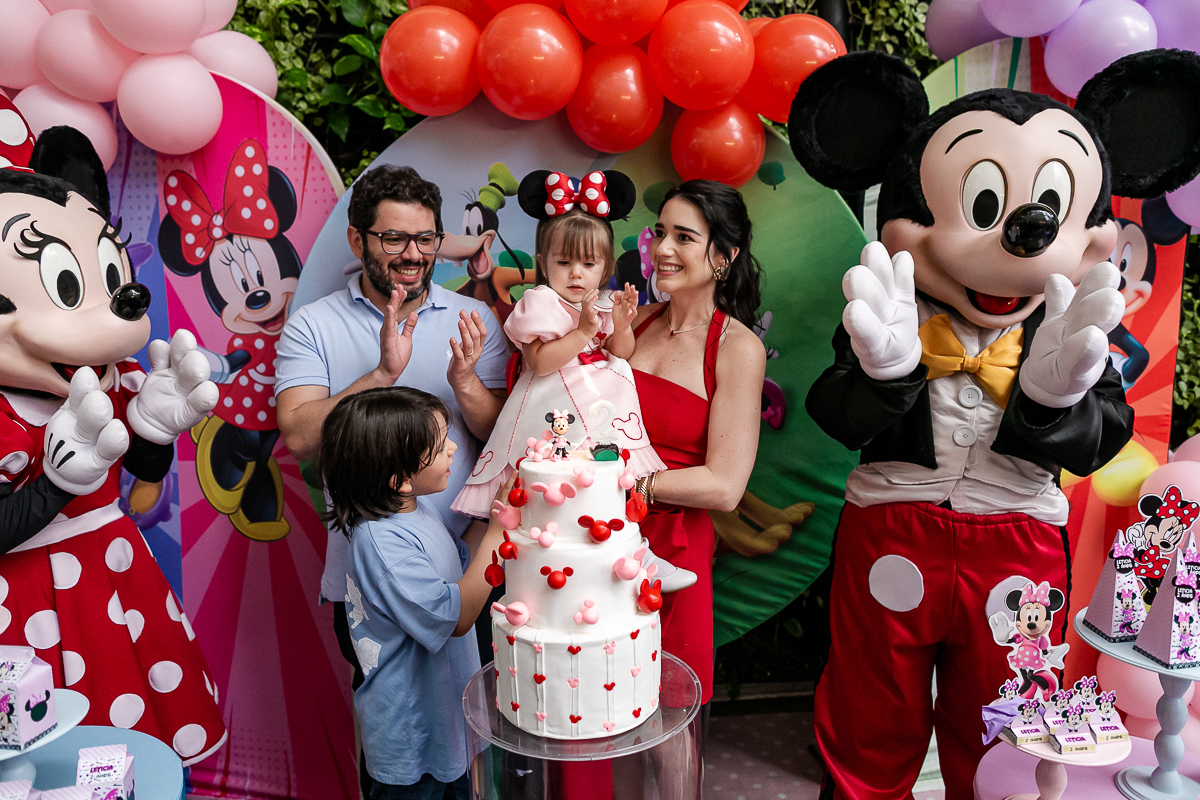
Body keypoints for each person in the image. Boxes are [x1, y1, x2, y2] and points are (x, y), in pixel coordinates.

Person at [274, 165, 508, 795]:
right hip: (370, 576)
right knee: (396, 729)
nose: (412, 254)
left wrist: (465, 385)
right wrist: (380, 374)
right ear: (358, 240)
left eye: (425, 238)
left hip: (464, 565)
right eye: (394, 238)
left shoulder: (472, 319)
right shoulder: (314, 324)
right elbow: (299, 436)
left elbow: (499, 433)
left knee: (466, 727)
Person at [319, 387, 510, 800]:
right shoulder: (382, 544)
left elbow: (461, 568)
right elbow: (457, 616)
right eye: (440, 447)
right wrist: (498, 530)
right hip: (413, 742)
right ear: (400, 480)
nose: (453, 449)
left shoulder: (416, 510)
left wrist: (493, 518)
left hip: (448, 722)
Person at [451, 170, 666, 517]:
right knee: (546, 478)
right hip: (551, 400)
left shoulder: (604, 302)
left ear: (606, 268)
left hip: (598, 404)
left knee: (595, 477)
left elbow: (620, 353)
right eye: (564, 262)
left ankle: (603, 465)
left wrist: (623, 326)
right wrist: (581, 333)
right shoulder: (542, 302)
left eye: (588, 263)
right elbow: (539, 363)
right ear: (544, 264)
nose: (576, 272)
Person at [628, 180, 767, 718]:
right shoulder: (631, 322)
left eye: (684, 237)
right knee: (587, 697)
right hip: (595, 536)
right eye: (660, 232)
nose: (662, 248)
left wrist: (632, 485)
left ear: (724, 257)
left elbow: (725, 486)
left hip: (674, 550)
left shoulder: (737, 347)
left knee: (664, 714)